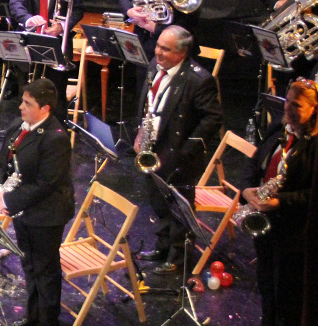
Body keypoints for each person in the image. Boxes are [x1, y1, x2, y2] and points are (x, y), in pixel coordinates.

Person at [134, 26, 223, 275]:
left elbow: (212, 119)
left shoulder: (199, 79)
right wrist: (140, 133)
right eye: (158, 45)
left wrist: (186, 150)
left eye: (165, 48)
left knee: (178, 210)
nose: (157, 52)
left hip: (178, 154)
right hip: (153, 145)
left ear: (182, 52)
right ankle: (162, 248)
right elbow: (147, 104)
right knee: (157, 202)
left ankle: (179, 258)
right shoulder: (155, 65)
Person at [0, 78, 74, 326]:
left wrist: (9, 202)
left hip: (46, 214)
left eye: (28, 103)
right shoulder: (19, 126)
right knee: (29, 264)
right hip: (23, 210)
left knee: (45, 270)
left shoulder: (55, 138)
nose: (21, 107)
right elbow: (3, 160)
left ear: (45, 108)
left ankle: (48, 321)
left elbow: (46, 184)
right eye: (22, 101)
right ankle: (33, 317)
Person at [241, 78, 316, 326]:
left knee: (288, 295)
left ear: (315, 109)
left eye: (297, 106)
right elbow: (255, 161)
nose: (288, 111)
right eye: (287, 104)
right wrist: (247, 190)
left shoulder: (314, 145)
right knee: (266, 284)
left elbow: (311, 193)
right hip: (266, 224)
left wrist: (279, 202)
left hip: (294, 232)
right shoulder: (280, 128)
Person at [8, 0, 85, 115]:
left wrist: (62, 26)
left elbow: (78, 9)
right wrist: (28, 19)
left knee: (56, 100)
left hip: (57, 48)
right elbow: (16, 6)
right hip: (30, 48)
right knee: (29, 99)